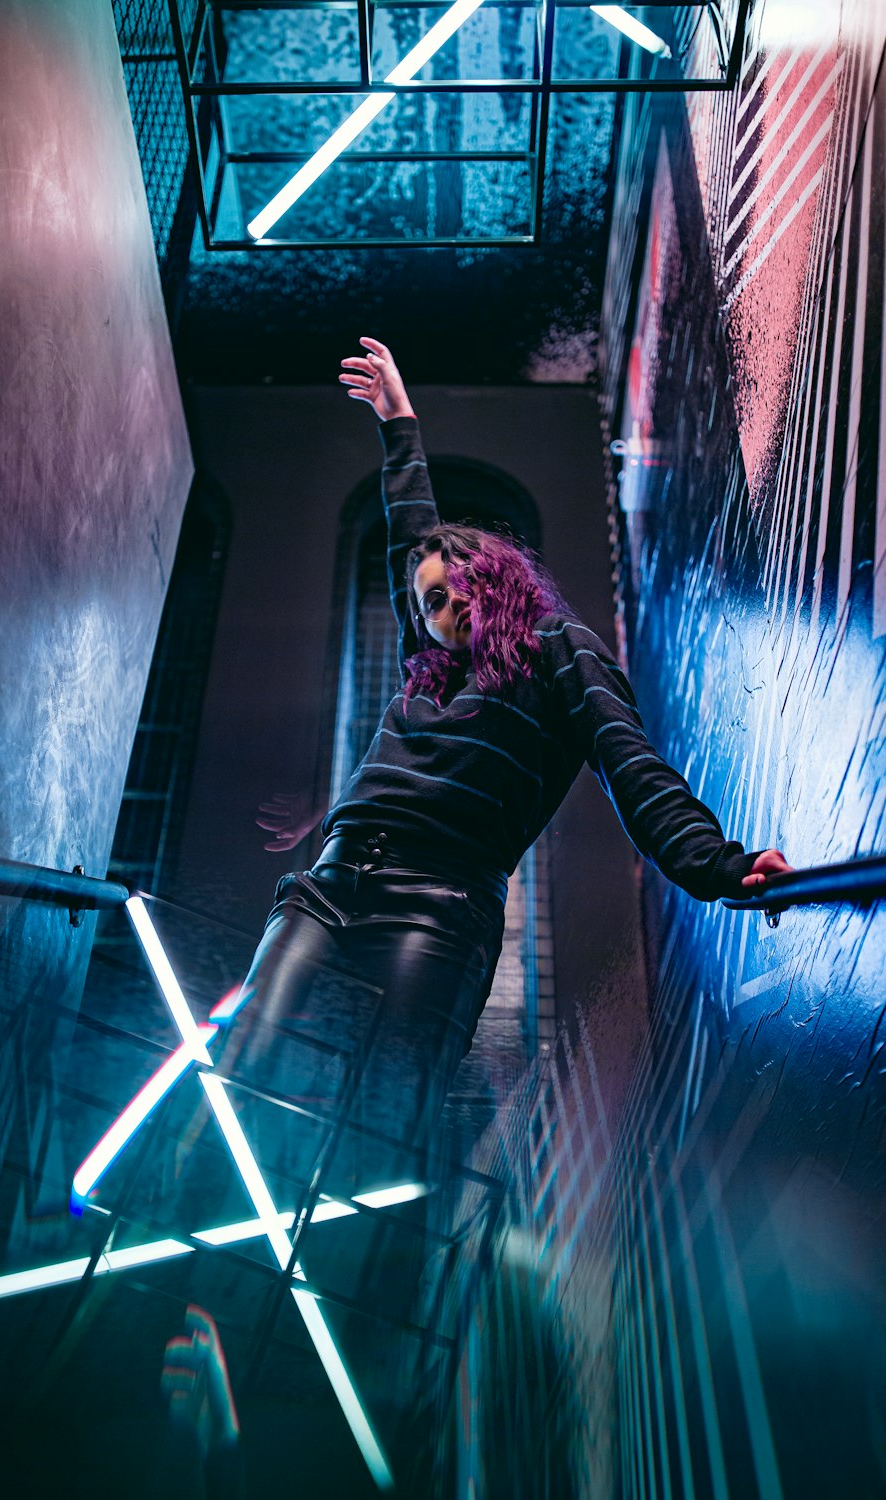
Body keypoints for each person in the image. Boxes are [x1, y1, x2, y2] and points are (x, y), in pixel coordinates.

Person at [239, 334, 789, 1170]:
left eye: (450, 586)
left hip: (438, 907)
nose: (434, 606)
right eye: (422, 603)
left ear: (492, 577)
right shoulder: (425, 670)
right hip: (327, 886)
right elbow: (410, 545)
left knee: (388, 1123)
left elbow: (633, 769)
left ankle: (361, 1276)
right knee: (244, 1063)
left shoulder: (560, 651)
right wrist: (397, 429)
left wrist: (720, 866)